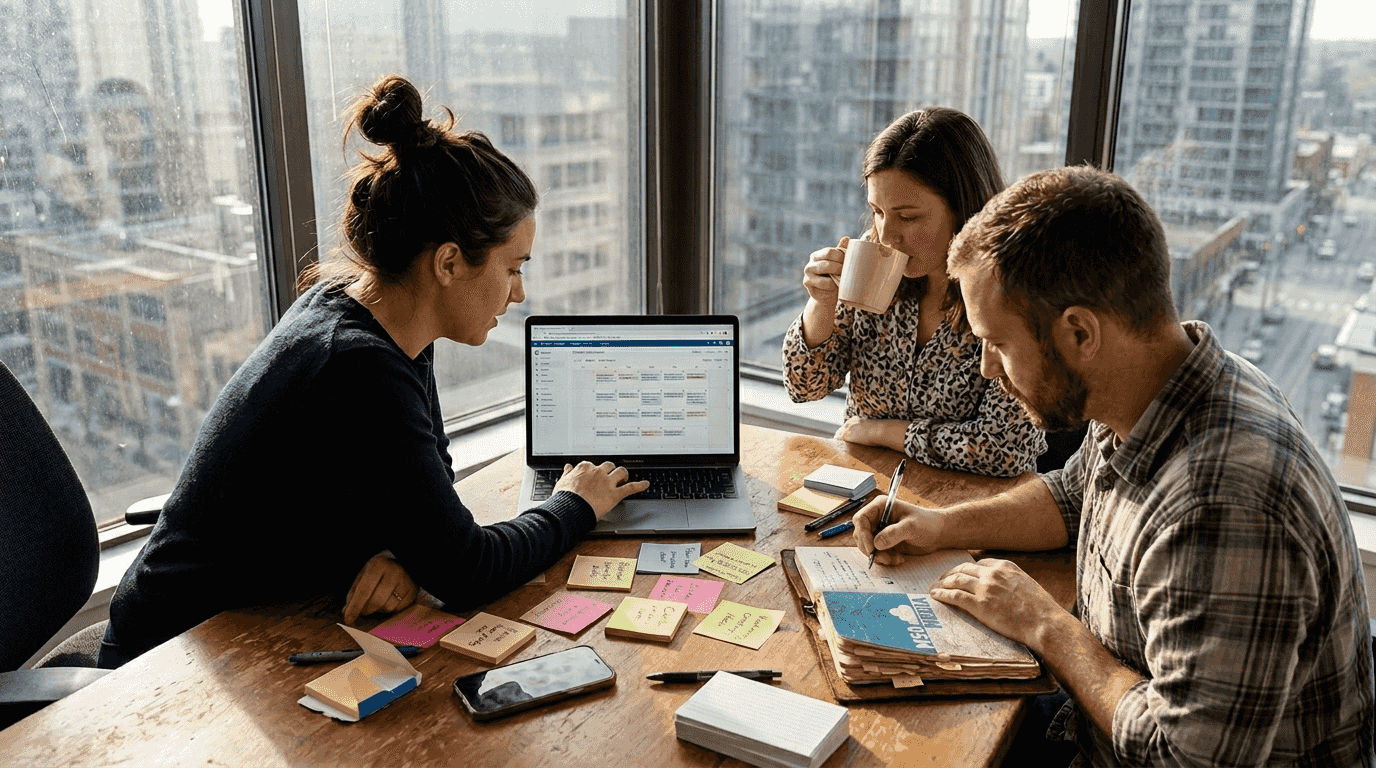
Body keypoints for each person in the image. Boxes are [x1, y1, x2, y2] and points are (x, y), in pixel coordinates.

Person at [98, 75, 647, 669]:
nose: (518, 294)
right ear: (448, 263)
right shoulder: (358, 365)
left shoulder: (376, 311)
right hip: (176, 654)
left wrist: (404, 551)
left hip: (259, 618)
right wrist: (574, 503)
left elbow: (426, 472)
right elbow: (470, 571)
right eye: (514, 269)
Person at [856, 165, 1374, 766]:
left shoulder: (1224, 505)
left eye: (998, 344)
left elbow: (1181, 758)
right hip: (1094, 719)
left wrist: (1047, 625)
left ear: (1079, 332)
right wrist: (940, 525)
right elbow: (1072, 497)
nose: (988, 371)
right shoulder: (1147, 383)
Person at [782, 107, 1046, 478]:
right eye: (877, 211)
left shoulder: (1012, 295)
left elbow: (1004, 450)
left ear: (963, 208)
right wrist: (820, 304)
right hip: (863, 489)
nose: (887, 236)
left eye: (908, 217)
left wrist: (883, 432)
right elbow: (803, 386)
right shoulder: (871, 265)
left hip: (970, 508)